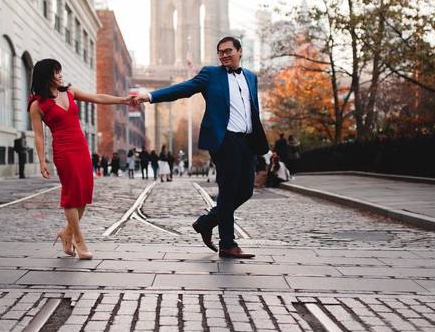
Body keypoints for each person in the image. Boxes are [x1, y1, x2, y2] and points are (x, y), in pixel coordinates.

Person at [132, 36, 268, 258]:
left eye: (228, 51)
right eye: (220, 52)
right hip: (225, 140)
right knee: (227, 190)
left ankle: (206, 222)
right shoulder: (211, 74)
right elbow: (184, 88)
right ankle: (227, 243)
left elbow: (252, 109)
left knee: (245, 191)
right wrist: (150, 96)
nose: (224, 55)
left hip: (247, 141)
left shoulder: (251, 78)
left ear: (240, 51)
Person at [29, 58, 130, 260]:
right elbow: (39, 136)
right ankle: (79, 240)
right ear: (46, 76)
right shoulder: (37, 105)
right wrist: (41, 161)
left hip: (81, 147)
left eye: (60, 71)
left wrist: (123, 100)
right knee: (71, 194)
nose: (60, 75)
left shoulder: (70, 91)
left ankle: (66, 233)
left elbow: (97, 97)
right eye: (56, 72)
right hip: (63, 150)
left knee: (84, 192)